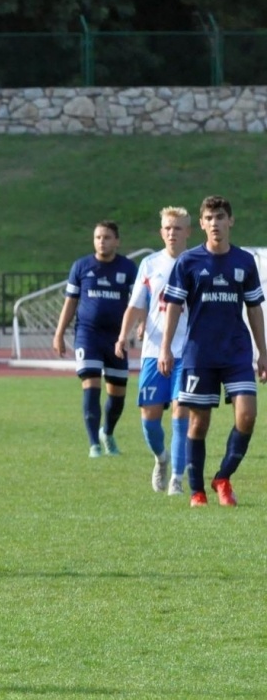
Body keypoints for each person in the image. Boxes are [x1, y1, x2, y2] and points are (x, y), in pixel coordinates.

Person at [158, 195, 267, 506]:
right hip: (199, 354)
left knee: (247, 416)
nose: (215, 223)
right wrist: (166, 348)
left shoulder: (244, 261)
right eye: (209, 218)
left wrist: (263, 351)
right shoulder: (188, 261)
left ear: (230, 221)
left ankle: (223, 477)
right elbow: (173, 306)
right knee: (198, 423)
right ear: (202, 224)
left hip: (236, 352)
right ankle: (197, 491)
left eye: (220, 217)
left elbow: (254, 308)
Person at [116, 207, 192, 495]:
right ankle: (161, 459)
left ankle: (177, 479)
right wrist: (123, 335)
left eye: (177, 228)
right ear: (161, 232)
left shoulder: (197, 263)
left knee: (180, 411)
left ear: (188, 232)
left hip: (187, 350)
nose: (172, 233)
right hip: (153, 351)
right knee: (150, 418)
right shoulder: (149, 264)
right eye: (167, 228)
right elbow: (136, 305)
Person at [52, 221, 137, 457]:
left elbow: (138, 301)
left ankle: (106, 432)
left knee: (117, 395)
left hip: (117, 338)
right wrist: (59, 333)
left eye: (107, 237)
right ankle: (94, 445)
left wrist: (141, 324)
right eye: (98, 237)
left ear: (117, 241)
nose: (102, 241)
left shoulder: (128, 268)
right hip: (88, 335)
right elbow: (70, 302)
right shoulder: (81, 266)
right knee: (91, 387)